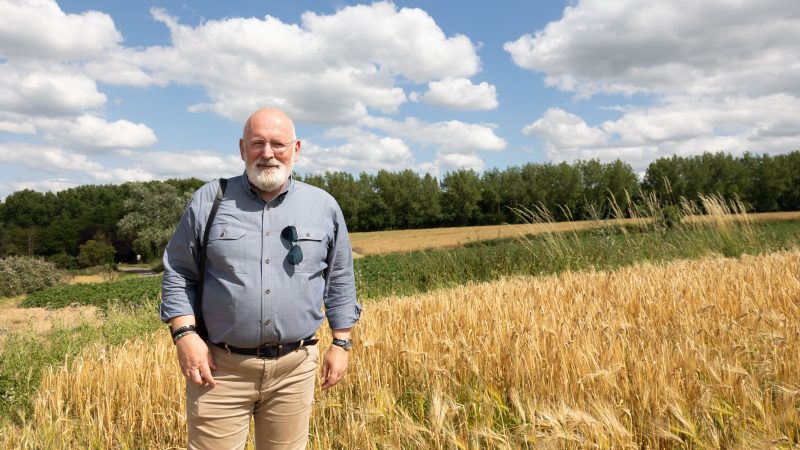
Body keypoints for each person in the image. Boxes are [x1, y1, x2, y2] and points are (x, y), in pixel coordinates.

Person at [160, 107, 361, 449]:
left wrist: (341, 343)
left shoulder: (323, 206)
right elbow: (178, 270)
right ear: (242, 148)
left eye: (278, 144)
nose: (268, 153)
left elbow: (339, 278)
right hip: (219, 370)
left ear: (296, 149)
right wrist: (184, 334)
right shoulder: (209, 200)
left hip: (294, 370)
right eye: (257, 143)